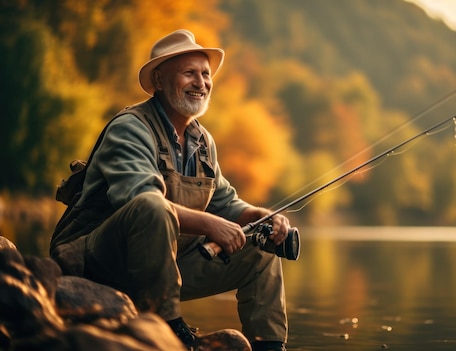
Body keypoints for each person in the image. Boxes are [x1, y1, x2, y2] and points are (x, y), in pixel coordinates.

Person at [49, 29, 290, 351]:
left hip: (160, 266)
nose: (201, 82)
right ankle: (170, 329)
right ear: (160, 81)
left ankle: (270, 346)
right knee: (151, 205)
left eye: (205, 74)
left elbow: (224, 201)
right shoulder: (130, 127)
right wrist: (208, 224)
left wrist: (259, 215)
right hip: (96, 262)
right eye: (189, 73)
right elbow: (138, 200)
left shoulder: (203, 141)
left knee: (261, 248)